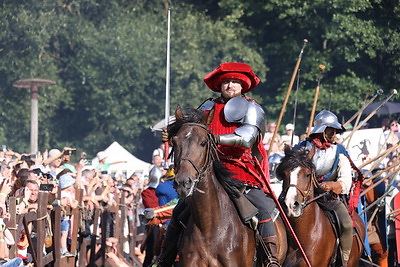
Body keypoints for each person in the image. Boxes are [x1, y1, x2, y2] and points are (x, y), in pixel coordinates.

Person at [160, 62, 280, 266]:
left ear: (243, 85)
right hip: (210, 170)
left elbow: (248, 137)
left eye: (234, 81)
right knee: (180, 210)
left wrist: (216, 138)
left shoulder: (252, 107)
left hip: (242, 173)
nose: (230, 85)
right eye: (226, 81)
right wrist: (171, 131)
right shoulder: (207, 107)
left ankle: (270, 258)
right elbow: (191, 131)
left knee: (263, 208)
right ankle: (164, 258)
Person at [294, 110, 358, 265]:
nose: (333, 133)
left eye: (335, 130)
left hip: (328, 198)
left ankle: (344, 259)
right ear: (321, 130)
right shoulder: (302, 148)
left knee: (347, 224)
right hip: (301, 194)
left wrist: (332, 185)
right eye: (330, 129)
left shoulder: (339, 151)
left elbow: (346, 181)